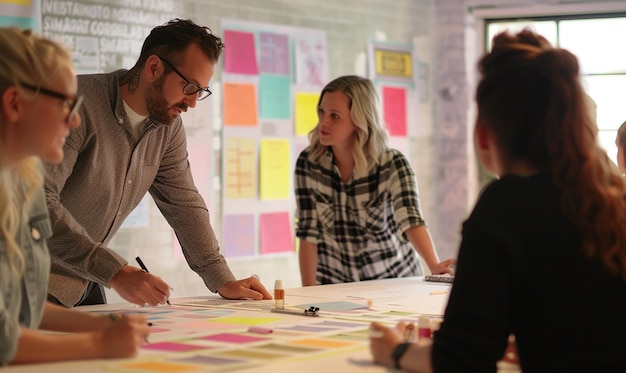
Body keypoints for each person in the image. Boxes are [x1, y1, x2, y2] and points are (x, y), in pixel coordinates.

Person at [369, 29, 626, 372]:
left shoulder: (507, 206)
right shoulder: (612, 193)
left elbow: (460, 358)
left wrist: (396, 351)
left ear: (485, 133)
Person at [44, 18, 271, 308]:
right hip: (27, 278)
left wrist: (221, 278)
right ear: (153, 68)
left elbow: (184, 203)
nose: (192, 103)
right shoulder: (77, 105)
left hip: (83, 280)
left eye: (200, 91)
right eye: (189, 86)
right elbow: (37, 203)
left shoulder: (168, 128)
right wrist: (114, 270)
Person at [0, 27, 149, 365]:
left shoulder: (23, 186)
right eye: (66, 103)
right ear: (14, 103)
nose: (76, 118)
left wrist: (104, 325)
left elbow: (20, 308)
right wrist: (99, 345)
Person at [295, 75, 455, 286]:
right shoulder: (308, 163)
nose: (323, 122)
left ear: (359, 119)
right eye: (322, 111)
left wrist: (433, 264)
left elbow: (411, 219)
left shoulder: (392, 164)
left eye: (335, 116)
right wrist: (308, 292)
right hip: (334, 285)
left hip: (393, 283)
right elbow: (308, 232)